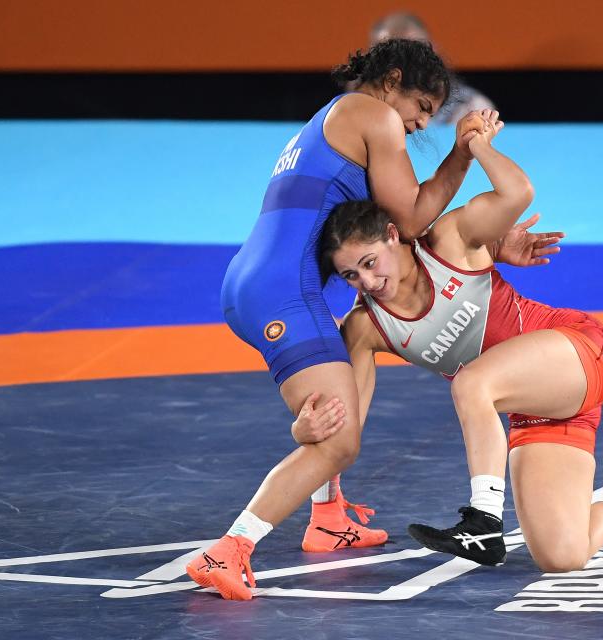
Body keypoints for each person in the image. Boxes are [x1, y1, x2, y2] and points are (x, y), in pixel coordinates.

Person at [185, 38, 500, 601]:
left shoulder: (331, 118)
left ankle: (328, 515)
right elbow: (410, 217)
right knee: (337, 440)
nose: (416, 125)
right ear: (393, 79)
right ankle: (229, 549)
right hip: (283, 293)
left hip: (252, 281)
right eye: (421, 108)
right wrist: (464, 151)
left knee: (358, 336)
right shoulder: (372, 114)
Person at [304, 122, 603, 572]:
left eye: (370, 263)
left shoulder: (449, 240)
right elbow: (346, 425)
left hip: (582, 352)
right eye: (352, 275)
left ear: (393, 235)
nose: (368, 283)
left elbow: (518, 193)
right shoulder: (366, 326)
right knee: (561, 556)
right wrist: (323, 495)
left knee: (471, 382)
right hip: (539, 406)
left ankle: (483, 521)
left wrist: (476, 147)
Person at [369, 12, 495, 125]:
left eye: (410, 53)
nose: (398, 63)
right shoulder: (356, 105)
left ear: (431, 52)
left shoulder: (471, 107)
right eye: (386, 54)